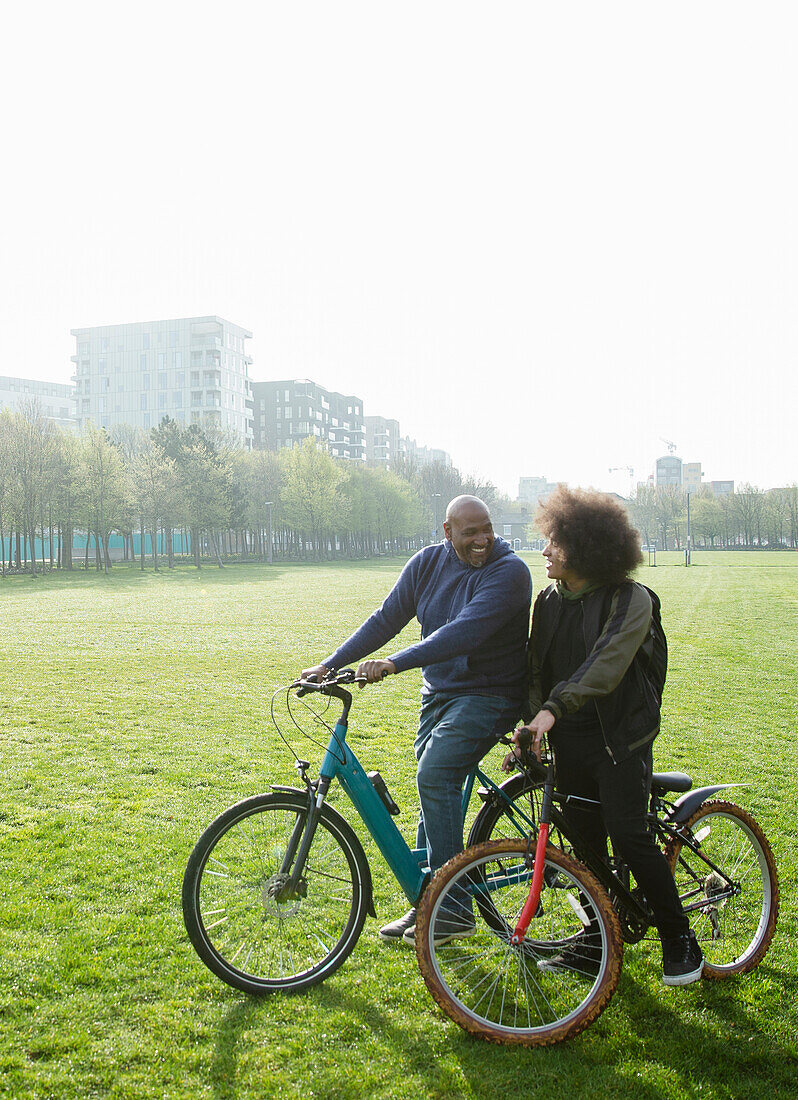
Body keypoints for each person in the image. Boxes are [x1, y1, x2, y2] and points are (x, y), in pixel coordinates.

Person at [302, 495, 532, 944]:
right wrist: (331, 664)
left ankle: (453, 909)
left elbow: (463, 630)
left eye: (487, 528)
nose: (483, 539)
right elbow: (386, 617)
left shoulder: (509, 572)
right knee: (434, 783)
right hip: (440, 693)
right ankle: (429, 902)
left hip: (491, 693)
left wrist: (395, 663)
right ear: (447, 532)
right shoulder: (427, 563)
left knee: (436, 771)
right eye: (470, 533)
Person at [506, 485, 704, 986]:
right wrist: (532, 725)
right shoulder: (548, 600)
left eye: (553, 541)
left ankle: (680, 939)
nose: (544, 551)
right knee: (585, 846)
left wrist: (551, 710)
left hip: (620, 739)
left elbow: (605, 666)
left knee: (631, 839)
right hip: (568, 737)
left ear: (586, 548)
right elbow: (537, 670)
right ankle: (596, 938)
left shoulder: (631, 599)